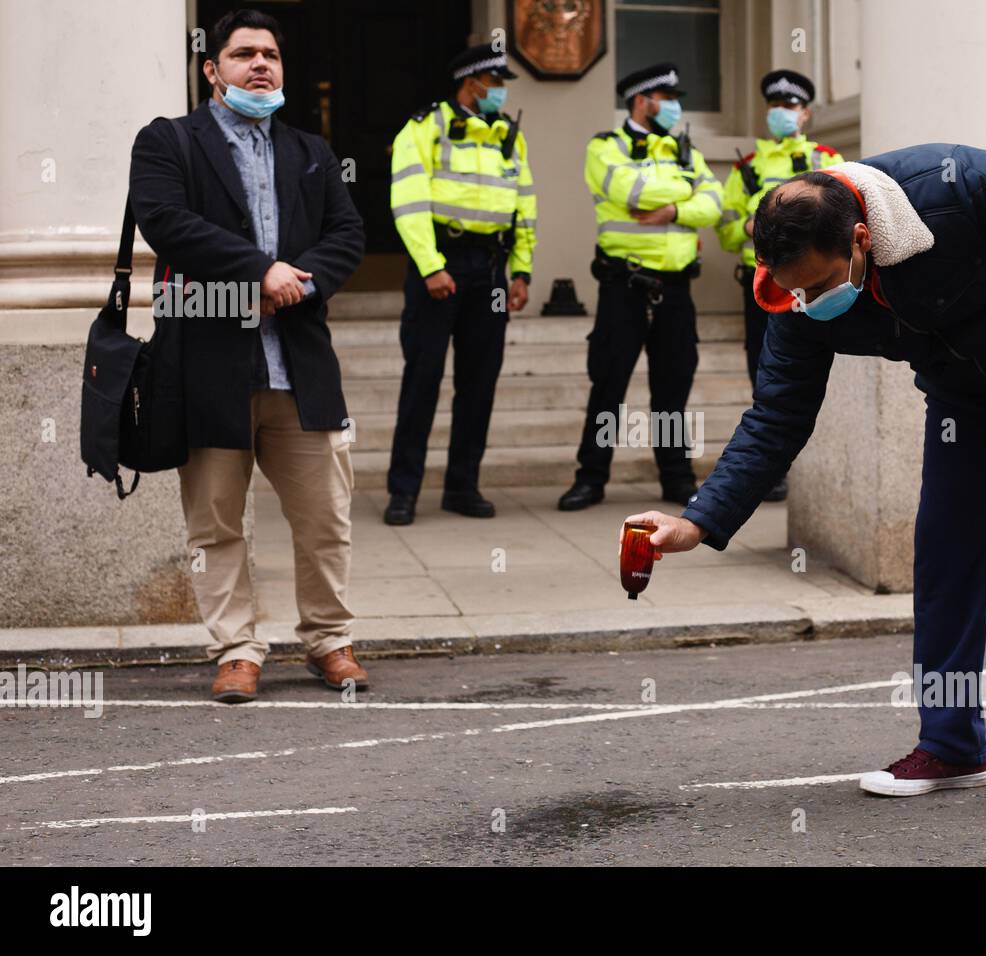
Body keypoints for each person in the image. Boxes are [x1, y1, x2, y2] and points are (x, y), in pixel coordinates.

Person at [622, 146, 986, 828]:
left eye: (819, 283)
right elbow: (777, 417)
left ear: (861, 239)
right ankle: (952, 745)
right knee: (945, 554)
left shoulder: (949, 186)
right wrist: (699, 520)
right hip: (967, 394)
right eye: (793, 290)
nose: (807, 302)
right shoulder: (794, 295)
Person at [129, 9, 366, 703]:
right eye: (242, 54)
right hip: (206, 369)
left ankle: (329, 639)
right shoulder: (169, 141)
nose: (259, 64)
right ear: (212, 69)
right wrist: (259, 272)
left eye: (269, 55)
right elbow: (166, 221)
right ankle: (236, 649)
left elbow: (346, 235)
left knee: (325, 519)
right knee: (215, 523)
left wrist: (296, 285)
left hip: (299, 368)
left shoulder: (312, 152)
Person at [557, 63, 723, 512]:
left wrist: (673, 210)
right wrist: (685, 192)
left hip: (675, 288)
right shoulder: (605, 147)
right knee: (608, 384)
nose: (673, 106)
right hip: (624, 285)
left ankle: (676, 477)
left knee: (673, 386)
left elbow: (715, 203)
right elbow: (627, 189)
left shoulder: (683, 148)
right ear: (640, 100)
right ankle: (590, 477)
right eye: (664, 98)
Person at [383, 44, 536, 524]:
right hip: (441, 263)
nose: (500, 91)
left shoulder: (509, 135)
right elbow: (408, 201)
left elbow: (524, 204)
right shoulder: (425, 126)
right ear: (471, 83)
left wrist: (522, 269)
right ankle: (403, 491)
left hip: (490, 267)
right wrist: (430, 266)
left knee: (479, 381)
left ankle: (462, 486)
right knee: (423, 379)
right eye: (495, 82)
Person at [716, 70, 843, 501]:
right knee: (767, 375)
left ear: (805, 114)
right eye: (775, 106)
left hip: (819, 285)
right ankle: (772, 468)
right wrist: (747, 228)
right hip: (763, 285)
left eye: (789, 107)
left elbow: (847, 212)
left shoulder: (827, 159)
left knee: (816, 372)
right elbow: (725, 228)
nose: (781, 114)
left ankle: (820, 460)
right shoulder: (746, 168)